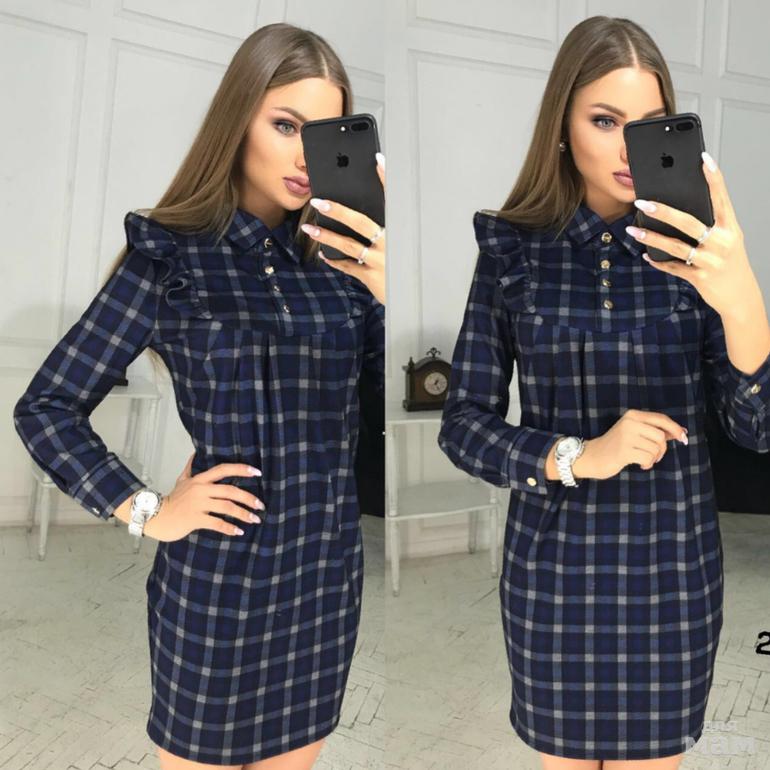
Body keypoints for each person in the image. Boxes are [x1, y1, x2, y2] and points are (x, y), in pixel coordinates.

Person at [13, 22, 385, 770]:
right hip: (220, 584)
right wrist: (146, 510)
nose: (305, 157)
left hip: (325, 585)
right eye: (286, 126)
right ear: (238, 120)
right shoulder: (170, 255)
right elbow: (46, 408)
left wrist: (384, 290)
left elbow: (387, 421)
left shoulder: (347, 270)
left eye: (323, 136)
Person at [437, 15, 770, 770]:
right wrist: (579, 455)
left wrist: (744, 299)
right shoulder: (512, 250)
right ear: (563, 126)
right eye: (604, 120)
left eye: (647, 126)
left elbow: (756, 429)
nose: (627, 149)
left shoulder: (701, 253)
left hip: (673, 577)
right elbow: (462, 424)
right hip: (554, 579)